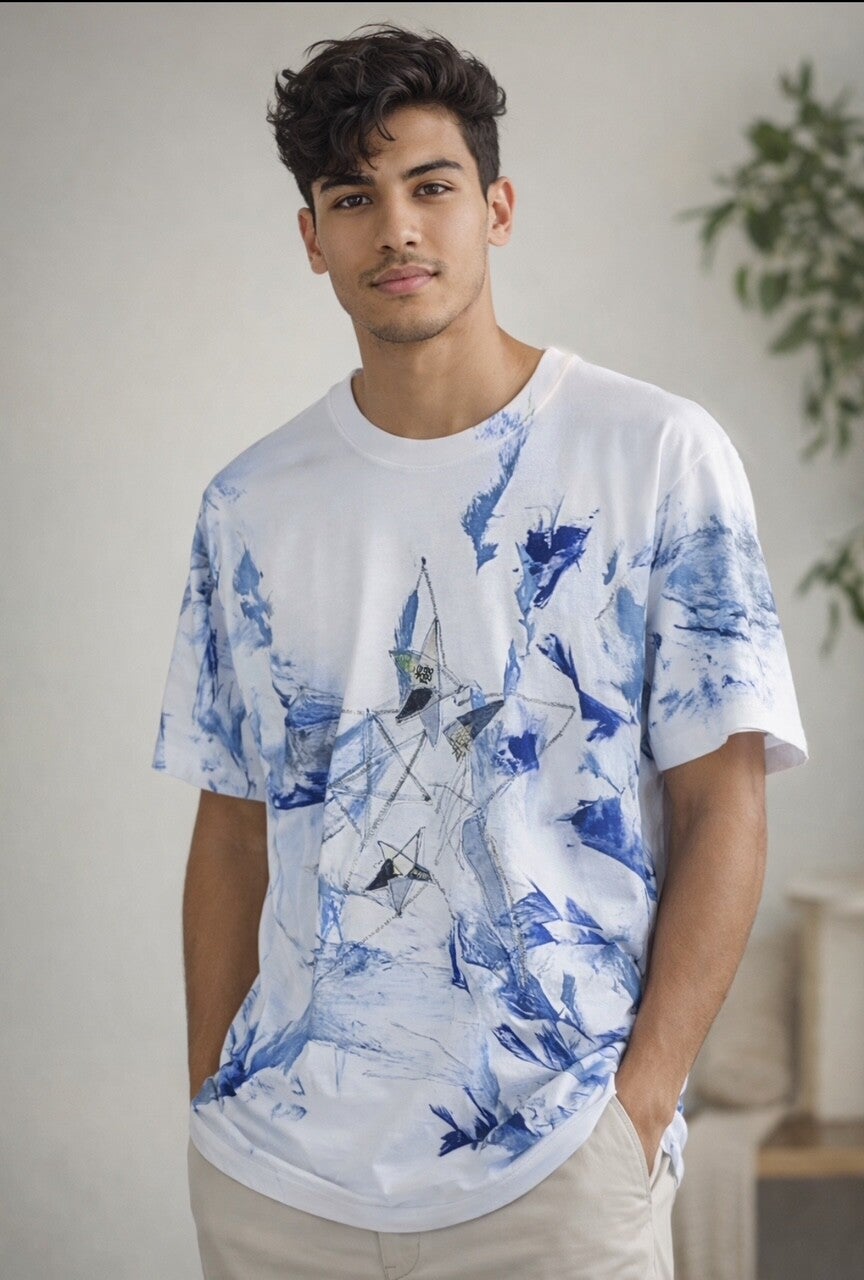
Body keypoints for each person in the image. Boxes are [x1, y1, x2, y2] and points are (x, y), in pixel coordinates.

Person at [151, 23, 807, 1280]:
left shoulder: (655, 455)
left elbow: (722, 800)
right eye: (355, 198)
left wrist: (637, 1109)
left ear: (496, 209)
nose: (396, 228)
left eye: (431, 186)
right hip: (278, 1183)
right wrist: (212, 1100)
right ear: (313, 238)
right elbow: (231, 824)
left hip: (556, 1172)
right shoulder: (250, 504)